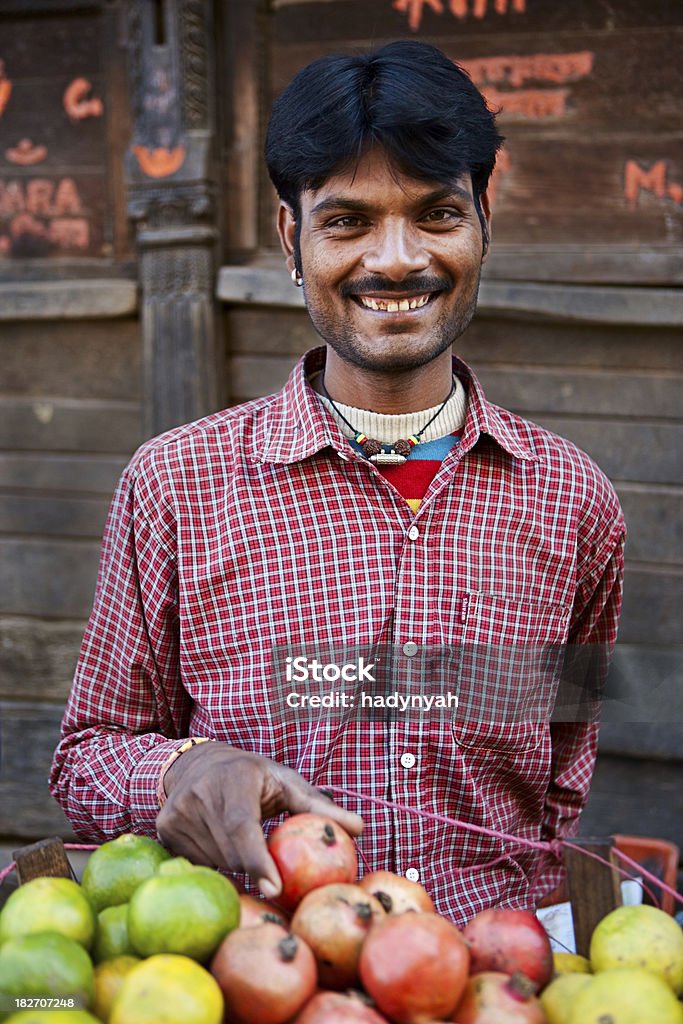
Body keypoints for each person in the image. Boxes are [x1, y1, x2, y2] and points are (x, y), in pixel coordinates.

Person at [50, 41, 625, 924]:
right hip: (248, 972)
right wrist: (180, 768)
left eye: (436, 213)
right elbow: (88, 754)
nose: (395, 260)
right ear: (293, 237)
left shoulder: (571, 500)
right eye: (347, 221)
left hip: (485, 979)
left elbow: (556, 780)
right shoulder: (176, 484)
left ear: (483, 217)